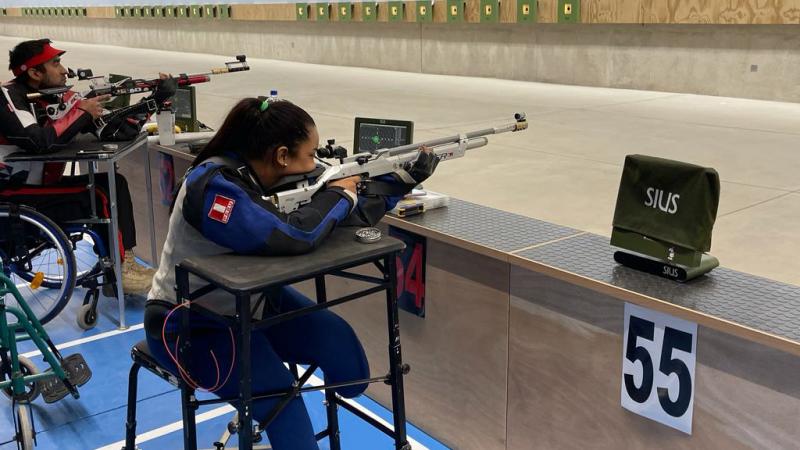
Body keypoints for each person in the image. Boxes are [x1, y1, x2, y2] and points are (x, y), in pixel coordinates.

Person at [144, 97, 439, 449]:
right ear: (282, 155)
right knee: (283, 404)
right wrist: (338, 195)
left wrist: (398, 181)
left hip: (253, 306)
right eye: (311, 154)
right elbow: (296, 234)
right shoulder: (215, 188)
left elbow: (336, 220)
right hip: (191, 325)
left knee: (342, 352)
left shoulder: (266, 175)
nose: (316, 163)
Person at [0, 38, 157, 294]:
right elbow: (38, 142)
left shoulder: (54, 96)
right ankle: (121, 272)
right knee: (101, 194)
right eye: (56, 63)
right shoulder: (8, 97)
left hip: (38, 188)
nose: (64, 70)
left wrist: (153, 101)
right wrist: (81, 112)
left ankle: (115, 269)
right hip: (13, 192)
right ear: (34, 72)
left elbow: (114, 132)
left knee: (113, 183)